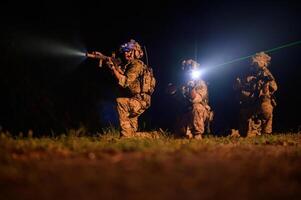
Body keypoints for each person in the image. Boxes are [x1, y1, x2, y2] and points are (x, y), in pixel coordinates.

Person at [105, 39, 156, 138]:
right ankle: (153, 136)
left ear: (136, 52)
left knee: (120, 102)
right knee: (132, 134)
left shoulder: (136, 65)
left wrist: (113, 68)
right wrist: (114, 67)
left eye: (129, 51)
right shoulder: (130, 66)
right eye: (125, 51)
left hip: (138, 101)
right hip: (137, 100)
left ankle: (124, 137)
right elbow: (122, 75)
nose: (126, 54)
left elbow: (124, 82)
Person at [167, 59, 213, 139]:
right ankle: (186, 133)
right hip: (185, 111)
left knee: (196, 107)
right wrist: (180, 83)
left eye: (192, 71)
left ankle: (197, 134)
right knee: (181, 136)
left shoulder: (201, 83)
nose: (190, 73)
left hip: (200, 113)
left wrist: (191, 88)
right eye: (187, 71)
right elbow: (169, 91)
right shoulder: (181, 82)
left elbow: (196, 99)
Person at [235, 52, 277, 137]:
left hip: (261, 104)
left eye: (258, 63)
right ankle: (250, 130)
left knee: (267, 108)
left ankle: (266, 132)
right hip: (248, 104)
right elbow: (236, 88)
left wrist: (265, 72)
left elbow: (274, 87)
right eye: (254, 63)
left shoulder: (266, 75)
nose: (255, 65)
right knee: (245, 133)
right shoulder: (244, 76)